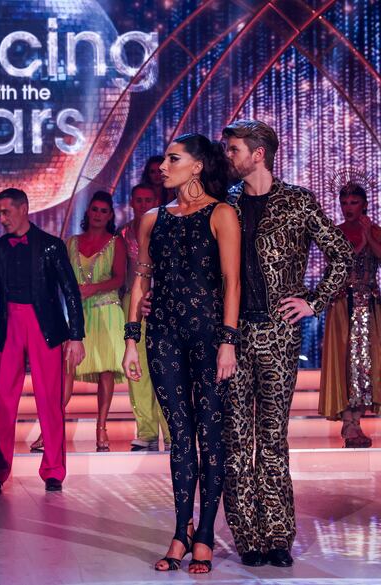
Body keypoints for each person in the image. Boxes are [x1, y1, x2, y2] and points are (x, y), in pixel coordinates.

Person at [220, 119, 353, 568]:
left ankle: (278, 535)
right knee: (237, 438)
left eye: (234, 149)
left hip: (278, 334)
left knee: (272, 436)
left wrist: (314, 301)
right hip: (234, 336)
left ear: (258, 153)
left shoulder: (298, 201)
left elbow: (342, 253)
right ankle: (247, 537)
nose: (228, 156)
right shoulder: (228, 204)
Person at [123, 134, 241, 574]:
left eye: (174, 159)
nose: (163, 166)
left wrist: (228, 340)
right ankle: (180, 530)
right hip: (164, 335)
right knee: (179, 437)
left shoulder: (222, 213)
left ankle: (206, 534)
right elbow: (142, 280)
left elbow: (232, 281)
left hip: (210, 337)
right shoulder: (153, 218)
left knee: (210, 435)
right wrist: (131, 338)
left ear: (196, 166)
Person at [0, 188, 85, 493]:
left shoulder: (51, 246)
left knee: (49, 400)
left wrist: (76, 336)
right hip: (9, 325)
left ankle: (53, 470)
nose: (2, 219)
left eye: (6, 212)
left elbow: (70, 291)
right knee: (3, 400)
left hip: (45, 326)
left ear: (24, 208)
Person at [30, 191, 126, 453]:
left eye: (103, 211)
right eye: (94, 209)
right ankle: (48, 431)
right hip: (76, 315)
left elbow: (119, 279)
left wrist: (93, 288)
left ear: (110, 215)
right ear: (88, 212)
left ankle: (101, 428)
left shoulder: (116, 242)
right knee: (66, 373)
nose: (98, 214)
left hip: (106, 311)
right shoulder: (71, 242)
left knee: (106, 371)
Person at [319, 180, 381, 445]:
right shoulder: (336, 232)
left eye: (354, 202)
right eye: (344, 203)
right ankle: (349, 424)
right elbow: (337, 266)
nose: (348, 208)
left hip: (369, 304)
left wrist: (369, 238)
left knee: (366, 364)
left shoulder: (375, 230)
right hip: (344, 305)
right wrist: (361, 243)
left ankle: (356, 423)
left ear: (364, 203)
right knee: (346, 362)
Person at [119, 183, 170, 452]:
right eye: (138, 199)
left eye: (147, 199)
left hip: (164, 299)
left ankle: (173, 433)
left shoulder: (167, 225)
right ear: (131, 202)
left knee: (165, 366)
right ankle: (147, 431)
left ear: (157, 199)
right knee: (137, 367)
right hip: (134, 300)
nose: (142, 204)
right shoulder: (124, 232)